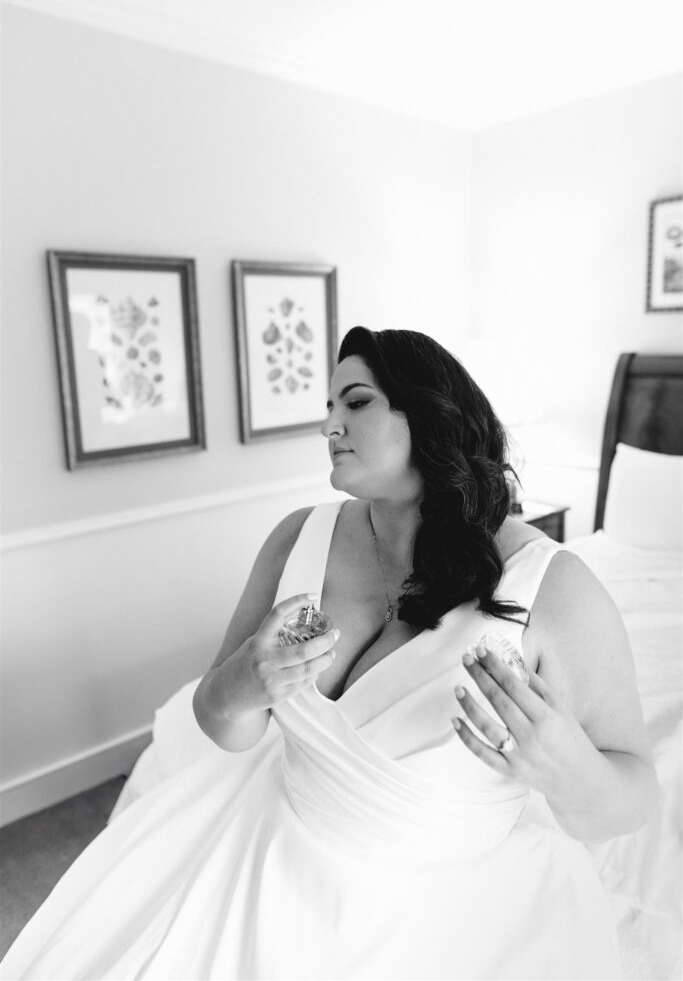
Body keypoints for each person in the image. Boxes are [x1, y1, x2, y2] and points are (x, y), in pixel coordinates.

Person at [2, 326, 657, 980]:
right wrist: (242, 685)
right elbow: (219, 723)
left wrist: (564, 764)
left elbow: (631, 801)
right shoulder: (298, 537)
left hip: (440, 911)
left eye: (356, 402)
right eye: (327, 407)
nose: (329, 425)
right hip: (266, 847)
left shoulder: (555, 587)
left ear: (431, 414)